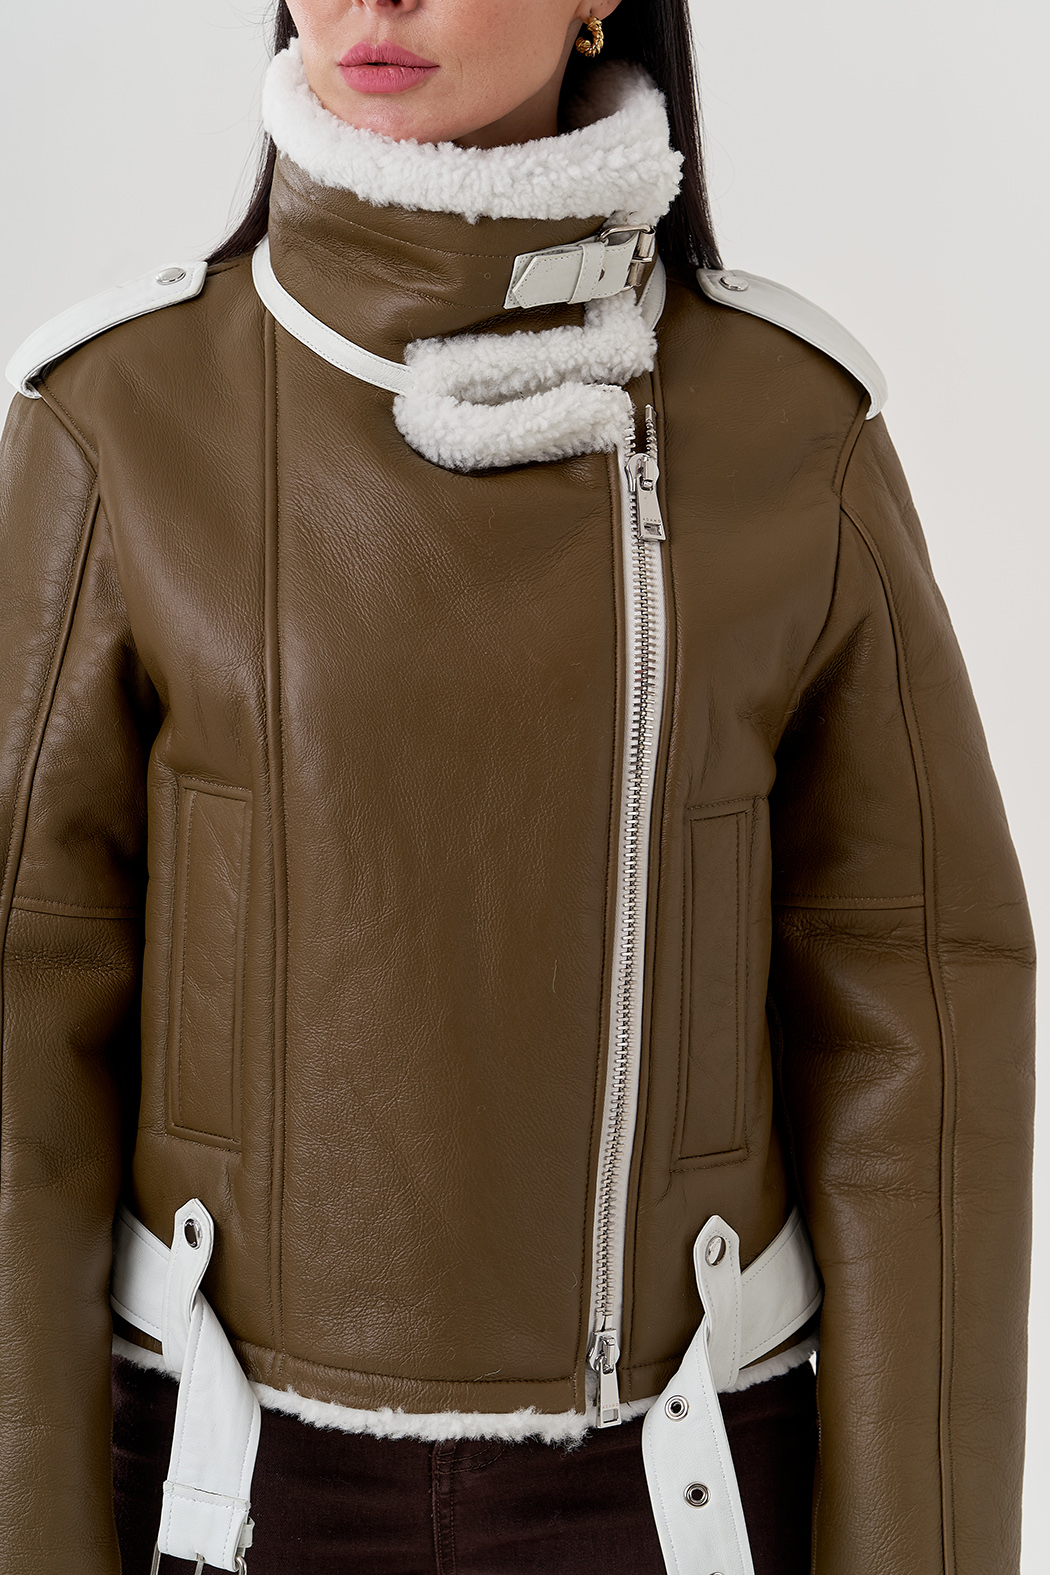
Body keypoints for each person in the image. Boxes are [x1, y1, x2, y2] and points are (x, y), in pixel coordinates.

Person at [0, 1, 1036, 1572]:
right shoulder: (118, 418)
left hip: (676, 1486)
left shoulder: (788, 424)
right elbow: (22, 1016)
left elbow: (925, 1021)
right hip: (226, 1489)